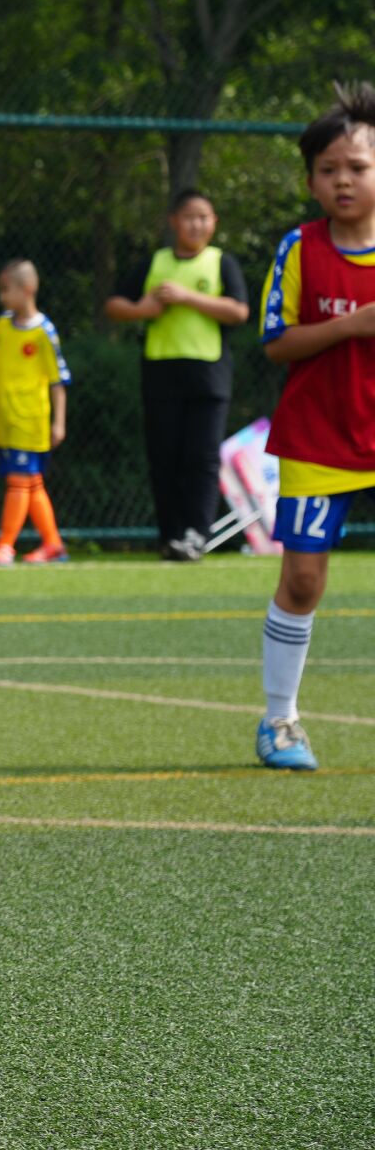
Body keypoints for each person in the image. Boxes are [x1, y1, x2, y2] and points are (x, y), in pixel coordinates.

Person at [250, 82, 375, 772]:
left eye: (356, 167)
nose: (343, 181)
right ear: (311, 182)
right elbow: (276, 342)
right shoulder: (299, 248)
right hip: (320, 437)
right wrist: (351, 326)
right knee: (302, 579)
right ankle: (280, 720)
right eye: (329, 170)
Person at [105, 189, 250, 560]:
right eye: (189, 217)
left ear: (214, 222)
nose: (197, 224)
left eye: (204, 217)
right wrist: (144, 309)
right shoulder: (155, 263)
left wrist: (189, 298)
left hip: (208, 374)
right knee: (164, 457)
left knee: (201, 458)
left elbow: (238, 311)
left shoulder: (221, 263)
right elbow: (115, 305)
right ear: (173, 222)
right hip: (161, 371)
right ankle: (169, 536)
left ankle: (196, 535)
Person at [0, 260, 70, 565]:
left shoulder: (44, 332)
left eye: (6, 290)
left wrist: (59, 421)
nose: (1, 297)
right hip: (5, 419)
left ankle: (5, 544)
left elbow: (57, 381)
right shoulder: (1, 325)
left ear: (27, 290)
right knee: (31, 481)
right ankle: (53, 544)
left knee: (18, 479)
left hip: (31, 419)